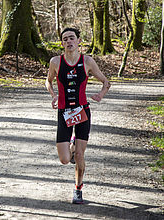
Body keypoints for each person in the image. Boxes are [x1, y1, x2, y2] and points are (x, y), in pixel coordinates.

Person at [45, 27, 111, 204]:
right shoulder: (55, 62)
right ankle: (72, 147)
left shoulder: (88, 61)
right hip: (64, 112)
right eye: (65, 39)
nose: (69, 41)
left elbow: (106, 82)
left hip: (82, 111)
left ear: (79, 41)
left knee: (80, 156)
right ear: (62, 43)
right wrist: (54, 96)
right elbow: (48, 81)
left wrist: (100, 95)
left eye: (72, 38)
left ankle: (78, 189)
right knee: (65, 160)